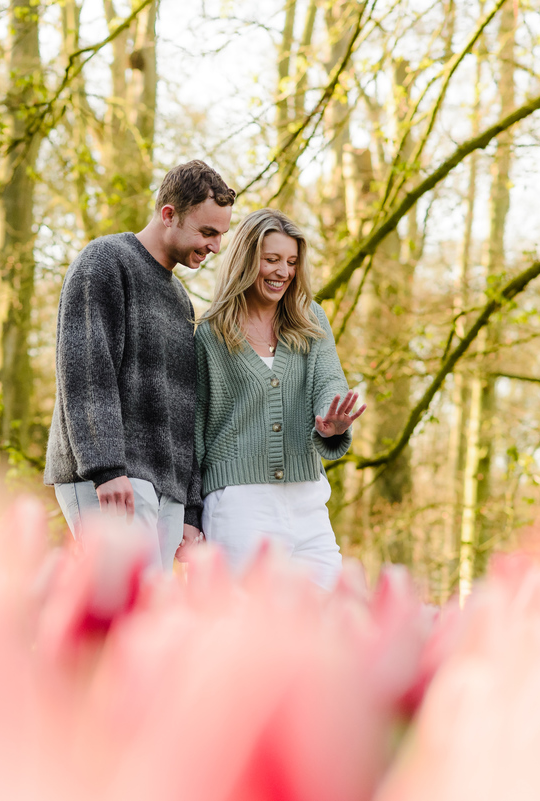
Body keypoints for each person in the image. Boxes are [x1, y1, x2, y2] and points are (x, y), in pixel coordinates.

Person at [44, 160, 235, 571]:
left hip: (164, 489)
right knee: (121, 614)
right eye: (207, 232)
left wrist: (188, 507)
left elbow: (186, 412)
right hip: (110, 480)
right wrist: (107, 468)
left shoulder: (181, 299)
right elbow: (86, 371)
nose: (216, 246)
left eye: (221, 234)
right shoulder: (105, 263)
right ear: (169, 214)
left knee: (150, 617)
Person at [194, 208, 365, 589]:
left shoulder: (310, 320)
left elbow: (329, 383)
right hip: (239, 503)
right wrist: (190, 516)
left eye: (291, 262)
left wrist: (332, 422)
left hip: (308, 501)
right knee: (248, 632)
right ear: (246, 260)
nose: (283, 272)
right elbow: (194, 430)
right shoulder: (210, 334)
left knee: (328, 620)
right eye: (271, 260)